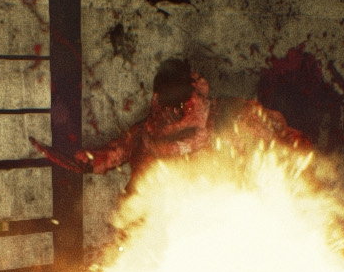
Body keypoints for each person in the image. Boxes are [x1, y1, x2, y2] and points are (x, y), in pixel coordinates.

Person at [32, 61, 308, 190]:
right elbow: (111, 154)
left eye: (182, 105)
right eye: (168, 105)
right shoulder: (144, 134)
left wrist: (292, 146)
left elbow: (285, 142)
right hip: (152, 240)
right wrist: (86, 160)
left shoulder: (236, 117)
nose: (175, 113)